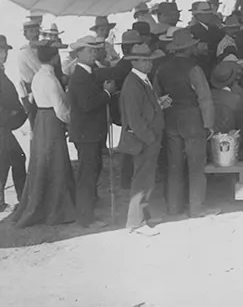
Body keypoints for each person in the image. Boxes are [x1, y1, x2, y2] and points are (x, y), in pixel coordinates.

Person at [11, 38, 76, 227]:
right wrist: (71, 121)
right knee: (56, 161)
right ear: (55, 59)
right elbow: (61, 109)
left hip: (41, 119)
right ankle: (56, 208)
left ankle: (45, 203)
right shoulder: (50, 79)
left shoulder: (38, 76)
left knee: (42, 161)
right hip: (51, 120)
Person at [155, 28, 217, 218]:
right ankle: (197, 208)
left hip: (171, 119)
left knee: (174, 166)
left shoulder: (161, 68)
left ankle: (174, 207)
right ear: (189, 48)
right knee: (196, 166)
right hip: (192, 120)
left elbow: (157, 97)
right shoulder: (194, 68)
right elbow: (204, 98)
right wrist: (209, 124)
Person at [118, 44, 168, 237]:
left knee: (146, 180)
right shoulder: (132, 84)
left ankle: (143, 218)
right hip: (144, 141)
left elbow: (143, 110)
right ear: (135, 62)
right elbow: (134, 119)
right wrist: (150, 138)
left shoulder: (142, 80)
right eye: (145, 60)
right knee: (141, 181)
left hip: (148, 139)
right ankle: (136, 223)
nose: (150, 63)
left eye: (150, 60)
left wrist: (158, 104)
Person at [66, 35, 114, 228]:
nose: (94, 53)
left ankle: (89, 209)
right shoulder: (79, 76)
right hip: (87, 133)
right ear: (79, 53)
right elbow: (87, 104)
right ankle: (85, 218)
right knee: (87, 174)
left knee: (92, 171)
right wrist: (107, 93)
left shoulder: (89, 72)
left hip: (91, 132)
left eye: (95, 50)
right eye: (90, 50)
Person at [0, 35, 27, 211]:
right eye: (1, 51)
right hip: (2, 127)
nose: (4, 54)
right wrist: (11, 114)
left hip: (4, 126)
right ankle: (23, 199)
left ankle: (19, 199)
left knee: (9, 160)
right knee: (13, 159)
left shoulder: (1, 71)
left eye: (4, 51)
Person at [17, 18, 42, 124]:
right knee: (36, 125)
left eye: (36, 30)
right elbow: (40, 69)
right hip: (31, 93)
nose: (35, 34)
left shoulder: (39, 49)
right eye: (31, 31)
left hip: (40, 89)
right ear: (25, 34)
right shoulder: (26, 51)